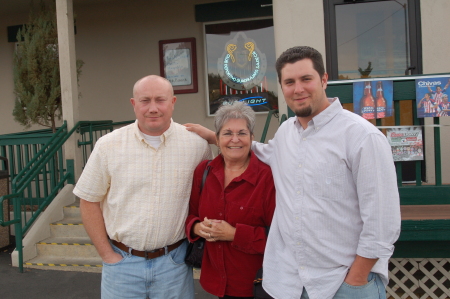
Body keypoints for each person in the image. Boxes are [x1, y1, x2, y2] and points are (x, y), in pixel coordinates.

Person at [185, 46, 401, 299]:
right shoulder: (287, 133)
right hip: (290, 284)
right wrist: (215, 136)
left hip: (342, 284)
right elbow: (254, 149)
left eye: (306, 79)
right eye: (289, 82)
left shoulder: (362, 137)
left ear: (323, 79)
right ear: (281, 87)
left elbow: (382, 223)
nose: (298, 89)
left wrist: (356, 278)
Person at [73, 75, 212, 299]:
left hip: (174, 266)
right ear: (133, 104)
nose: (153, 108)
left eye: (160, 100)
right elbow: (88, 200)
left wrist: (215, 137)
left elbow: (209, 196)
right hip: (122, 266)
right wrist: (108, 255)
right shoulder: (108, 145)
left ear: (173, 102)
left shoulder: (197, 146)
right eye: (145, 100)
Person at [185, 101, 276, 299]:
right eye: (227, 133)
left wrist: (235, 234)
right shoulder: (204, 172)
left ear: (252, 137)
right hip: (218, 283)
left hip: (257, 286)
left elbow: (280, 237)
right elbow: (190, 216)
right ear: (217, 138)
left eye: (242, 133)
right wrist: (197, 228)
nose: (235, 139)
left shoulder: (267, 177)